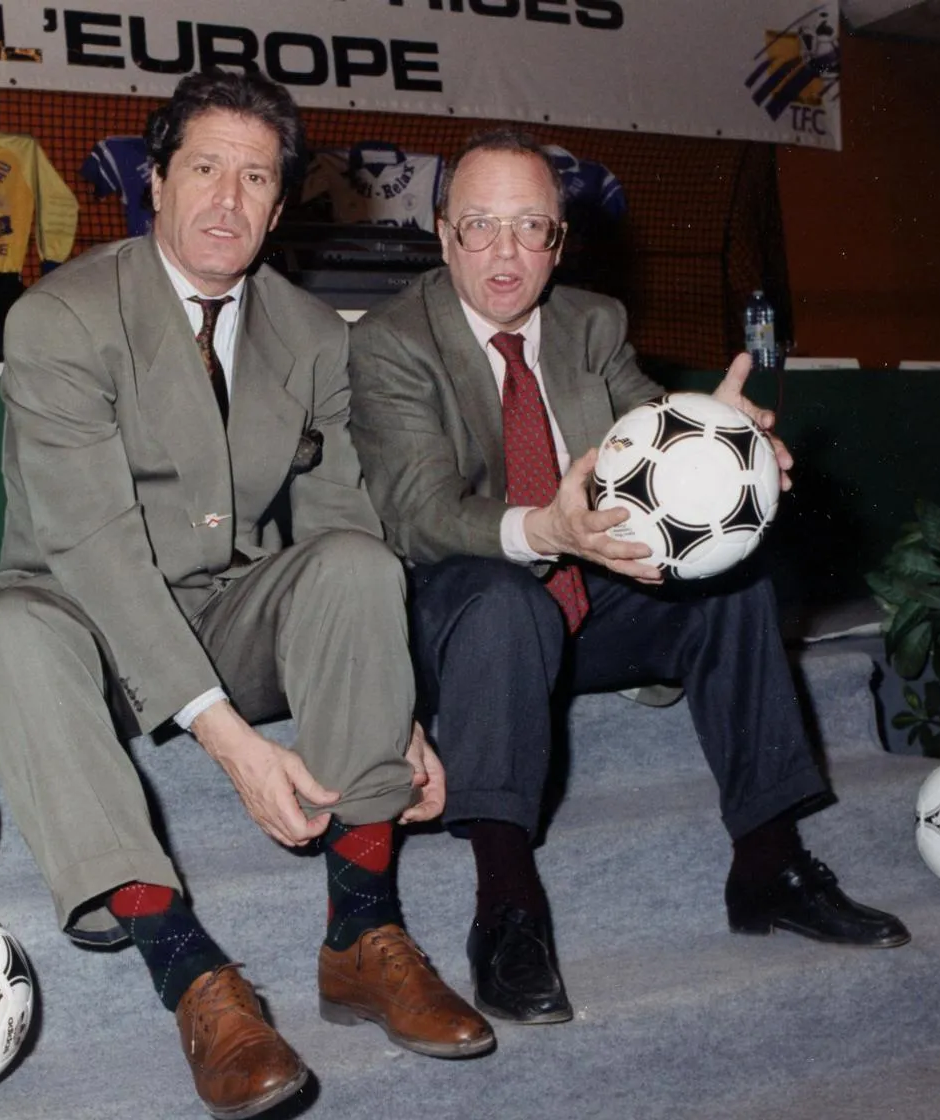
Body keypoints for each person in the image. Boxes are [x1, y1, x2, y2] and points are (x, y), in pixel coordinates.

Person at [0, 71, 493, 1120]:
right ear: (153, 182)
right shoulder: (58, 317)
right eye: (204, 168)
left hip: (230, 606)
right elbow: (95, 547)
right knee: (4, 636)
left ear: (281, 205)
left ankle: (362, 930)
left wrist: (401, 710)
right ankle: (192, 970)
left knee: (355, 565)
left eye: (256, 178)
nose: (227, 200)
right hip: (80, 617)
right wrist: (231, 742)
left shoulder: (313, 333)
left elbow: (343, 517)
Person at [346, 128, 909, 1028]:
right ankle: (507, 908)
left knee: (730, 581)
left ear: (558, 243)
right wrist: (544, 528)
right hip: (456, 607)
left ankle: (769, 863)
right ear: (443, 234)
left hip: (582, 591)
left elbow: (649, 432)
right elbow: (417, 510)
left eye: (530, 228)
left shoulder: (591, 323)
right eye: (481, 225)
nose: (505, 252)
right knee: (500, 600)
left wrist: (722, 442)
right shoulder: (389, 341)